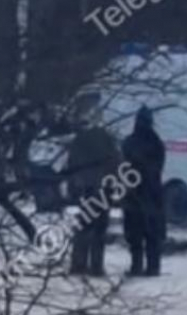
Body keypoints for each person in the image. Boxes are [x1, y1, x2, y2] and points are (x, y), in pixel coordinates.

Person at [67, 106, 121, 277]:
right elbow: (116, 162)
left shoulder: (79, 140)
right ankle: (96, 266)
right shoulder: (107, 139)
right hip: (103, 188)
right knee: (99, 228)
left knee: (83, 226)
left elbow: (71, 164)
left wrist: (74, 188)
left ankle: (78, 264)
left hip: (85, 188)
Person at [121, 106, 166, 277]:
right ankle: (153, 267)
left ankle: (136, 266)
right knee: (152, 234)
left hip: (133, 193)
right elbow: (158, 167)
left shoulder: (129, 141)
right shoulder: (157, 142)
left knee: (134, 234)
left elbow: (123, 166)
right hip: (152, 193)